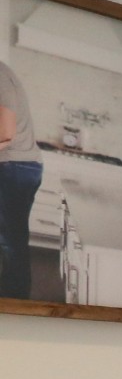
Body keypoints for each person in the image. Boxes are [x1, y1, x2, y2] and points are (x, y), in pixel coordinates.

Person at [0, 60, 43, 300]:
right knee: (11, 239)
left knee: (11, 242)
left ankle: (13, 302)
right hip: (18, 165)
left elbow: (5, 133)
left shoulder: (0, 77)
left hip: (13, 167)